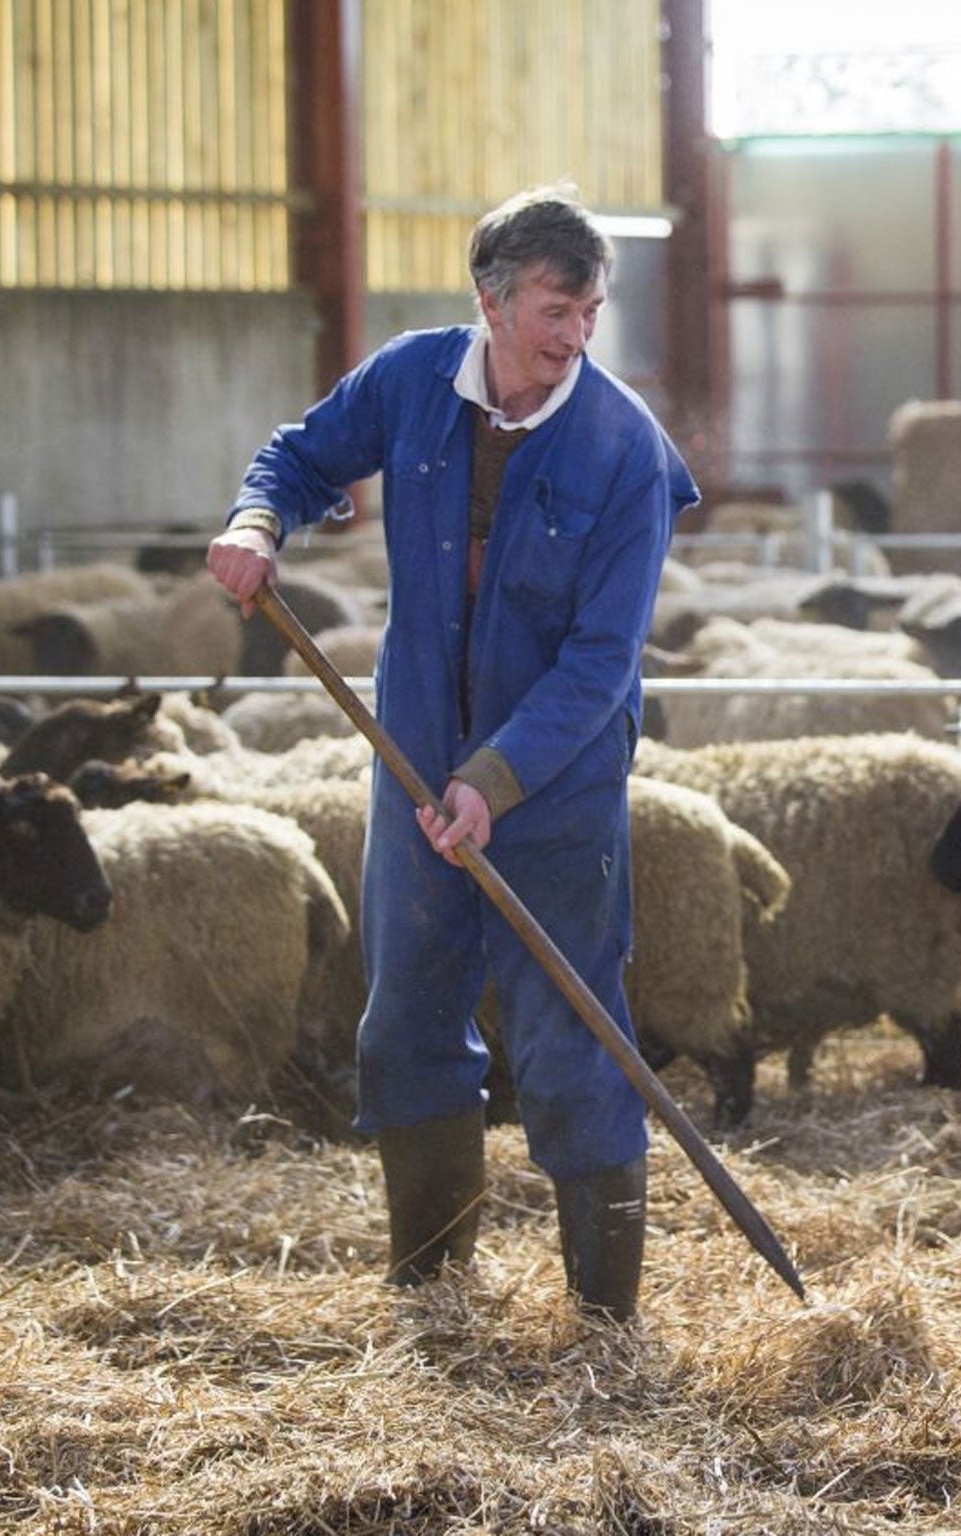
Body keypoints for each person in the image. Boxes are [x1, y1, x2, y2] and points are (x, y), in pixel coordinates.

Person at [207, 184, 697, 1320]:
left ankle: (601, 1322)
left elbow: (601, 659)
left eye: (589, 314)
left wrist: (495, 781)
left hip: (555, 783)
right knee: (409, 1016)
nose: (574, 336)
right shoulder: (411, 381)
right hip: (416, 754)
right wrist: (256, 521)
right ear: (491, 299)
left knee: (570, 1026)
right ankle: (433, 1287)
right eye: (554, 310)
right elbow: (296, 455)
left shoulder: (626, 450)